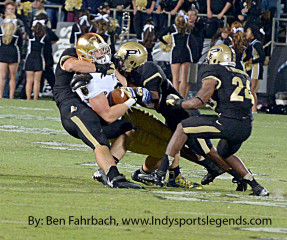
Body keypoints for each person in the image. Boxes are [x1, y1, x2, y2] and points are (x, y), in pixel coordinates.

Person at [114, 42, 246, 190]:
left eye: (122, 59)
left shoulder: (148, 69)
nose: (119, 63)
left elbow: (154, 100)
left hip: (184, 114)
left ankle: (241, 177)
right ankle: (176, 177)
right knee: (176, 147)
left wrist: (131, 89)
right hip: (171, 115)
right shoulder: (132, 74)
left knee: (209, 152)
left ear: (133, 59)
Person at [151, 44, 269, 196]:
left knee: (183, 127)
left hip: (228, 123)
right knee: (224, 153)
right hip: (246, 126)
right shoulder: (242, 74)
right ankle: (257, 187)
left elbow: (197, 102)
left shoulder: (214, 70)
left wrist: (177, 102)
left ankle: (160, 174)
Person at [53, 32, 144, 189]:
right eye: (96, 52)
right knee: (99, 140)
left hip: (94, 108)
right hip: (74, 108)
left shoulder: (106, 65)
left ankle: (105, 169)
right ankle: (113, 177)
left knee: (128, 129)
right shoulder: (72, 55)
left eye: (102, 50)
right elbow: (71, 65)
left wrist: (131, 92)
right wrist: (100, 68)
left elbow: (123, 84)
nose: (101, 54)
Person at [159, 10, 192, 97]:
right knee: (184, 79)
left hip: (176, 52)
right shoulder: (188, 27)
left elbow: (160, 36)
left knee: (175, 79)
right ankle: (182, 98)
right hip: (186, 52)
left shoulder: (172, 28)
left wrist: (167, 43)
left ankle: (175, 98)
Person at [24, 15, 51, 100]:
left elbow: (26, 25)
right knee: (37, 81)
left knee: (29, 81)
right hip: (39, 58)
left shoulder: (31, 35)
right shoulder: (44, 36)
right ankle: (35, 99)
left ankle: (28, 98)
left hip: (30, 58)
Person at [243, 25, 265, 113]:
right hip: (251, 68)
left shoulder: (257, 44)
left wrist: (253, 61)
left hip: (256, 68)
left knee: (252, 90)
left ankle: (254, 109)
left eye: (248, 32)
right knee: (249, 89)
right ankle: (251, 109)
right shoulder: (250, 43)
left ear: (252, 34)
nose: (246, 33)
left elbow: (262, 57)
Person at [0, 13, 23, 99]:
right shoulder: (17, 30)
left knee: (1, 77)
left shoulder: (1, 29)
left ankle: (0, 96)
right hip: (13, 53)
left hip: (2, 52)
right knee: (12, 77)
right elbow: (20, 43)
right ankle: (11, 96)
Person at [186, 8, 205, 97]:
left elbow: (199, 33)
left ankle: (185, 97)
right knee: (183, 79)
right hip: (184, 57)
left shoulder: (199, 28)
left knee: (191, 80)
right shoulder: (183, 28)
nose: (190, 17)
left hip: (194, 57)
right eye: (188, 15)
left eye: (192, 15)